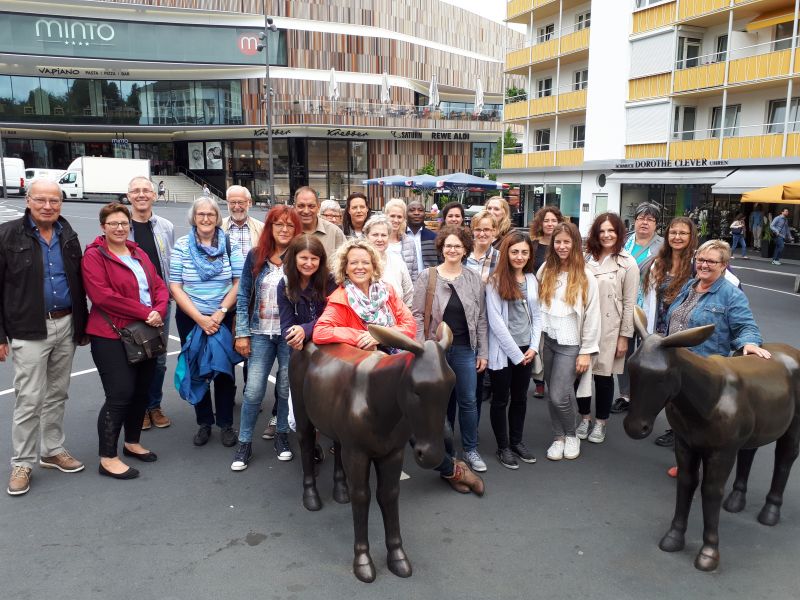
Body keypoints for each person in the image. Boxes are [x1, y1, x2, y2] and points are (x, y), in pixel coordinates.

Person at [314, 239, 483, 495]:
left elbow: (408, 325)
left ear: (373, 265)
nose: (360, 267)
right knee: (412, 429)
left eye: (365, 262)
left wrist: (382, 335)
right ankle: (453, 471)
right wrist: (361, 335)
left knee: (440, 429)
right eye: (353, 263)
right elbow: (321, 331)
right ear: (345, 268)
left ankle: (448, 465)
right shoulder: (340, 298)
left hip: (398, 361)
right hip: (369, 377)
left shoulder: (388, 292)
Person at [0, 180, 89, 496]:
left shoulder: (68, 235)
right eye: (41, 199)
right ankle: (22, 462)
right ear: (28, 200)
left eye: (54, 200)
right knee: (29, 397)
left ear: (61, 204)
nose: (48, 205)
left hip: (65, 324)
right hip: (29, 329)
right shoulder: (8, 235)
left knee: (57, 392)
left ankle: (51, 449)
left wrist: (82, 325)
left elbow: (78, 281)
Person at [664, 239, 771, 477]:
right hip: (679, 366)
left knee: (702, 423)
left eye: (711, 261)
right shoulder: (690, 286)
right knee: (681, 418)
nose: (704, 265)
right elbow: (674, 319)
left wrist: (749, 344)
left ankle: (704, 467)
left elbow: (746, 326)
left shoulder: (730, 294)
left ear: (723, 265)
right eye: (700, 259)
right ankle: (685, 464)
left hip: (704, 369)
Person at [82, 203, 169, 480]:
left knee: (141, 392)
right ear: (103, 227)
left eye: (124, 224)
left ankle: (132, 442)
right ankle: (107, 457)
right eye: (113, 224)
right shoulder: (95, 256)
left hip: (145, 332)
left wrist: (159, 310)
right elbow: (104, 297)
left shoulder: (138, 252)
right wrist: (147, 312)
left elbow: (159, 286)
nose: (119, 228)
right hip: (111, 335)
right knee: (120, 394)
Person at [412, 225, 489, 473]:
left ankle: (471, 448)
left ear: (465, 249)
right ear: (441, 248)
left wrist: (483, 352)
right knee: (440, 403)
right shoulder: (428, 276)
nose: (452, 250)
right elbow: (416, 314)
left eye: (457, 245)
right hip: (435, 352)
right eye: (448, 245)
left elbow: (481, 319)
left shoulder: (473, 278)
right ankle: (445, 450)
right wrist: (422, 348)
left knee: (468, 400)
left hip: (466, 349)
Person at [169, 197, 244, 447]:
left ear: (217, 218)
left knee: (223, 370)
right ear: (194, 217)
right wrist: (199, 318)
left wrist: (221, 312)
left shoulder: (230, 245)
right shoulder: (181, 245)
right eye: (201, 214)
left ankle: (225, 424)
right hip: (192, 317)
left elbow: (238, 282)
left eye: (210, 215)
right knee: (196, 368)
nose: (205, 219)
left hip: (222, 316)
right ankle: (203, 422)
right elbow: (175, 286)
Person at [232, 206, 302, 467]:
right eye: (278, 224)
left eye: (290, 225)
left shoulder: (300, 258)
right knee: (253, 391)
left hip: (289, 336)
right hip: (259, 332)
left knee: (285, 388)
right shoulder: (255, 257)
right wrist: (242, 333)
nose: (284, 230)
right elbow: (242, 297)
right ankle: (245, 443)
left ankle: (282, 435)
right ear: (270, 228)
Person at [537, 222, 600, 461]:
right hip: (549, 340)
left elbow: (593, 316)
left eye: (566, 241)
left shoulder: (585, 276)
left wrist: (586, 351)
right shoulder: (545, 269)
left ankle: (571, 435)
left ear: (575, 244)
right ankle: (558, 437)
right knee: (554, 392)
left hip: (571, 344)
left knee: (559, 395)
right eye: (558, 241)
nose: (562, 246)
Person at [575, 213, 638, 445]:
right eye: (602, 231)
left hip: (611, 328)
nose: (606, 235)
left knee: (603, 377)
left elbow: (630, 303)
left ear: (619, 232)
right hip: (583, 325)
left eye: (611, 230)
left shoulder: (627, 262)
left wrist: (625, 337)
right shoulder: (584, 258)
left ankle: (601, 422)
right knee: (579, 375)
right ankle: (584, 417)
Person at [276, 235, 338, 465]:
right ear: (294, 258)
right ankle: (309, 442)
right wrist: (292, 337)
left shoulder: (329, 281)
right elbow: (285, 324)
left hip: (329, 347)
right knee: (302, 401)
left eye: (314, 258)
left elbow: (331, 317)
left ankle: (335, 440)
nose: (309, 263)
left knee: (330, 401)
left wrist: (305, 329)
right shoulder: (284, 284)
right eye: (304, 258)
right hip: (301, 349)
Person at [485, 232, 542, 469]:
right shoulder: (495, 281)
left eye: (524, 252)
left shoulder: (531, 279)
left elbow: (538, 316)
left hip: (526, 350)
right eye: (515, 251)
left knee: (520, 399)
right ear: (506, 253)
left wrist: (534, 347)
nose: (519, 256)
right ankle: (503, 446)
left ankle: (517, 441)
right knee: (500, 400)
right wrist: (517, 356)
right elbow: (496, 323)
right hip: (504, 352)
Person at [641, 217, 698, 448]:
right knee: (668, 382)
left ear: (691, 236)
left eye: (683, 233)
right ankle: (675, 427)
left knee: (687, 384)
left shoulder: (698, 262)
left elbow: (729, 284)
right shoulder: (659, 263)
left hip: (685, 333)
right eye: (673, 232)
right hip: (662, 331)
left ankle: (686, 430)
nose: (677, 237)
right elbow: (649, 299)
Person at [127, 176, 175, 431]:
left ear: (154, 195)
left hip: (160, 304)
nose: (141, 194)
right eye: (136, 191)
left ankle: (153, 406)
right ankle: (138, 408)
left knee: (158, 358)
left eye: (146, 190)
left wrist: (167, 297)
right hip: (131, 305)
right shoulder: (122, 226)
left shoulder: (165, 227)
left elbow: (169, 266)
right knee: (133, 358)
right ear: (129, 196)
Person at [612, 201, 664, 414]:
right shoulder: (624, 241)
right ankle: (625, 394)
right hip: (623, 305)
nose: (645, 222)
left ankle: (644, 396)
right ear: (635, 220)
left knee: (646, 354)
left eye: (650, 219)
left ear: (656, 224)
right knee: (623, 351)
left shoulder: (662, 246)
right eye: (642, 218)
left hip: (647, 308)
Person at [528, 205, 564, 398]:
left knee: (554, 340)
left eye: (554, 220)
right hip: (536, 299)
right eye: (546, 220)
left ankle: (553, 379)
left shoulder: (563, 244)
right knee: (538, 340)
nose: (550, 224)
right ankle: (539, 381)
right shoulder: (533, 244)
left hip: (558, 299)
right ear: (540, 223)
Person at [364, 215, 414, 307]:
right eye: (375, 235)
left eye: (384, 235)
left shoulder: (398, 262)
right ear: (367, 237)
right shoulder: (359, 263)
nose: (380, 239)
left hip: (397, 318)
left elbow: (409, 296)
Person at [294, 186, 346, 260]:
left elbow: (345, 263)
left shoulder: (335, 233)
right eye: (301, 206)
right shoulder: (288, 232)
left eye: (311, 206)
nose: (306, 211)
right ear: (294, 207)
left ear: (318, 207)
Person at [222, 185, 264, 260]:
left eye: (240, 202)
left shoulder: (262, 228)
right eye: (232, 202)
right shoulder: (218, 227)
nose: (237, 207)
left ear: (250, 202)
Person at [384, 198, 419, 281]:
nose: (396, 220)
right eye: (392, 216)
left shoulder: (409, 242)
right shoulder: (377, 240)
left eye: (399, 217)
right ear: (386, 216)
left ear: (404, 219)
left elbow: (414, 274)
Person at [406, 199, 438, 272]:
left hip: (428, 280)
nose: (416, 213)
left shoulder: (433, 237)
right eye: (412, 210)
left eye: (420, 210)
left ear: (424, 214)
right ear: (406, 214)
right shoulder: (400, 236)